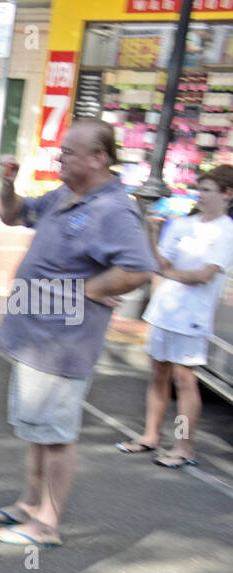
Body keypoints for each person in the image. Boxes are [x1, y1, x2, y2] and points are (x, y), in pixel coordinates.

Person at [0, 119, 156, 548]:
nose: (61, 159)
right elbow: (13, 214)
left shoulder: (114, 210)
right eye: (61, 152)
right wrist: (7, 183)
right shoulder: (65, 195)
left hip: (62, 344)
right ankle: (28, 505)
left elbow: (139, 269)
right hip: (35, 337)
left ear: (100, 158)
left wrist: (85, 292)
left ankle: (47, 525)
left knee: (56, 437)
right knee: (38, 431)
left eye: (70, 153)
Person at [116, 164, 233, 468]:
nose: (200, 195)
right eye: (199, 189)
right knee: (158, 376)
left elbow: (205, 275)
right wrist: (154, 234)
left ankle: (183, 446)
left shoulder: (226, 231)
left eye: (207, 190)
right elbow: (160, 262)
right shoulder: (181, 225)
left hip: (191, 317)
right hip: (164, 311)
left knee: (184, 381)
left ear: (227, 194)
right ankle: (150, 436)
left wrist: (168, 273)